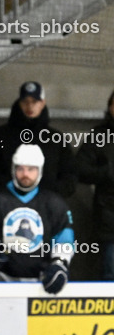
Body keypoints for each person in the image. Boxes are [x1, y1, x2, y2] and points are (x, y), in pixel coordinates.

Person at [0, 143, 74, 291]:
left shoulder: (54, 202)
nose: (25, 174)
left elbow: (64, 238)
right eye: (21, 168)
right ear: (13, 169)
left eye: (31, 169)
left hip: (41, 282)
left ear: (40, 170)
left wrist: (60, 263)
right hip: (1, 280)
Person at [0, 81, 77, 198]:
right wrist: (9, 189)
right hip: (7, 203)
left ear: (43, 103)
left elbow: (70, 175)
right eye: (25, 102)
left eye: (34, 101)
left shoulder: (56, 139)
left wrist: (49, 195)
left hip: (46, 207)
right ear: (19, 103)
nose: (30, 106)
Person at [74, 89, 114, 280]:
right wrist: (106, 173)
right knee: (110, 278)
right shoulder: (100, 135)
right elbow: (79, 169)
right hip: (110, 224)